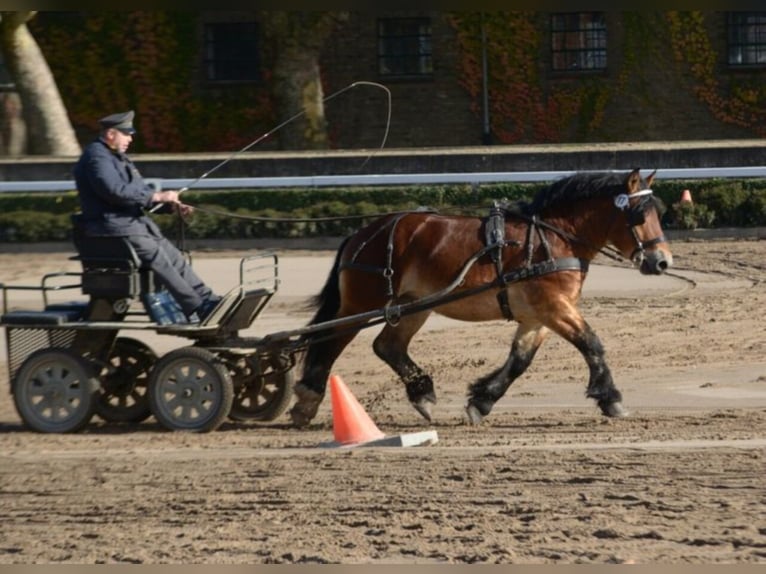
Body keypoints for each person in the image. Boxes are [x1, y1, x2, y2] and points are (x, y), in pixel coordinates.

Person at [73, 110, 220, 322]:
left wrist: (169, 206)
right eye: (127, 134)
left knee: (175, 257)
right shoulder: (97, 157)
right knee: (158, 259)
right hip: (111, 229)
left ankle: (208, 300)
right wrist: (158, 195)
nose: (130, 139)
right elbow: (115, 191)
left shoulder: (118, 158)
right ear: (111, 133)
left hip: (134, 227)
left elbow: (139, 195)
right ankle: (197, 307)